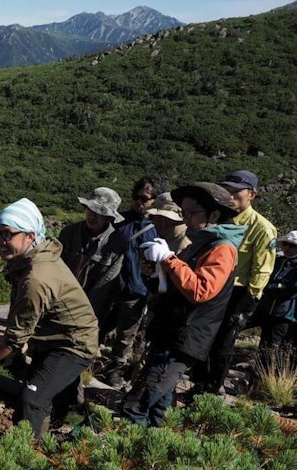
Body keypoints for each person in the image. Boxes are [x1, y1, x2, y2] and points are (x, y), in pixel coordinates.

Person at [0, 199, 99, 439]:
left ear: (30, 236)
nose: (1, 241)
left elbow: (14, 338)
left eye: (8, 235)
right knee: (40, 392)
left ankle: (29, 455)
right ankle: (52, 430)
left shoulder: (36, 277)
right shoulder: (34, 258)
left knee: (32, 399)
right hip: (54, 335)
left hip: (74, 344)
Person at [123, 182, 245, 426]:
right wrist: (155, 272)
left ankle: (128, 456)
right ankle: (154, 453)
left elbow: (201, 290)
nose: (186, 218)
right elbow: (177, 286)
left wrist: (168, 259)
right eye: (184, 212)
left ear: (214, 215)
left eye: (192, 213)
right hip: (171, 331)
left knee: (138, 403)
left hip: (184, 336)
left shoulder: (222, 248)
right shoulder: (201, 242)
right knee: (159, 405)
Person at [193, 170, 277, 395]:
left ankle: (213, 388)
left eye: (235, 191)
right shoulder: (217, 218)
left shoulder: (262, 228)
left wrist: (248, 303)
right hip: (212, 284)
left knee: (223, 341)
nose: (230, 195)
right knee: (202, 336)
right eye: (226, 190)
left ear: (252, 194)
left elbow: (262, 269)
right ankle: (199, 383)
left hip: (238, 291)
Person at [101, 177, 162, 389]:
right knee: (99, 324)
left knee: (126, 333)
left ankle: (116, 367)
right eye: (136, 197)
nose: (139, 202)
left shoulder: (159, 226)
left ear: (155, 199)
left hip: (137, 288)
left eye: (144, 198)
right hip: (110, 285)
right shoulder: (119, 221)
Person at [58, 187, 128, 321]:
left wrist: (85, 313)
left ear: (108, 217)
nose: (92, 215)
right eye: (90, 209)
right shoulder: (68, 233)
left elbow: (104, 285)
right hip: (59, 299)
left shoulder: (117, 244)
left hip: (89, 309)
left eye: (99, 212)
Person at [254, 230, 297, 356]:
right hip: (266, 308)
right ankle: (259, 371)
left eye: (292, 245)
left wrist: (271, 287)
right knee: (264, 342)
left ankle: (268, 373)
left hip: (284, 313)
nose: (287, 248)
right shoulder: (276, 259)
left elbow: (291, 290)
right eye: (285, 244)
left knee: (274, 344)